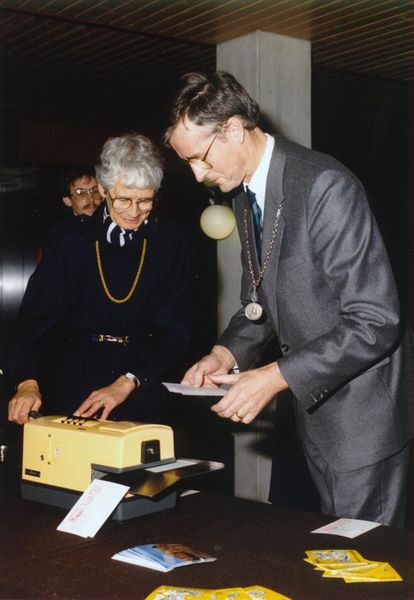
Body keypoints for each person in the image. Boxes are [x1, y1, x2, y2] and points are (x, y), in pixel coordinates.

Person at [164, 70, 414, 527]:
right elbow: (257, 302)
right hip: (318, 416)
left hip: (364, 425)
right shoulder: (245, 197)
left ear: (234, 129)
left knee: (364, 560)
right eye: (189, 164)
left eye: (200, 157)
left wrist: (274, 377)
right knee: (336, 554)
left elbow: (375, 320)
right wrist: (224, 354)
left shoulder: (324, 186)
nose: (198, 174)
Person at [7, 133, 194, 424]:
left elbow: (175, 334)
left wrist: (128, 381)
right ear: (103, 190)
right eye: (124, 199)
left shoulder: (173, 243)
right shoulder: (68, 240)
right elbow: (34, 323)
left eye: (145, 201)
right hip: (74, 382)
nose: (134, 212)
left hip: (143, 381)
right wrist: (27, 382)